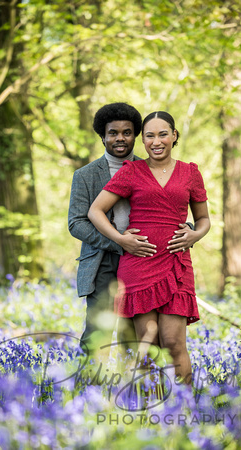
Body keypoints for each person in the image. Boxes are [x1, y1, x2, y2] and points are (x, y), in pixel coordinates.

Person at [88, 110, 210, 382]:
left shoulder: (190, 173)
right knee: (147, 346)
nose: (157, 141)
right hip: (139, 266)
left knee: (174, 343)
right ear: (143, 140)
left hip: (177, 264)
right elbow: (95, 211)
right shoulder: (132, 171)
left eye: (163, 134)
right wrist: (121, 239)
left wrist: (195, 235)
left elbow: (203, 219)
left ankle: (184, 411)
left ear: (174, 136)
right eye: (150, 135)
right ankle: (151, 416)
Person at [68, 103, 194, 360]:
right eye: (113, 133)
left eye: (127, 132)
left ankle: (134, 395)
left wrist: (187, 230)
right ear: (102, 136)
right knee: (97, 333)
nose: (120, 138)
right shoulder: (86, 175)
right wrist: (120, 243)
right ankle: (87, 396)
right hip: (103, 262)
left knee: (135, 339)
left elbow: (170, 206)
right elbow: (77, 223)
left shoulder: (150, 166)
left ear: (136, 135)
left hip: (146, 260)